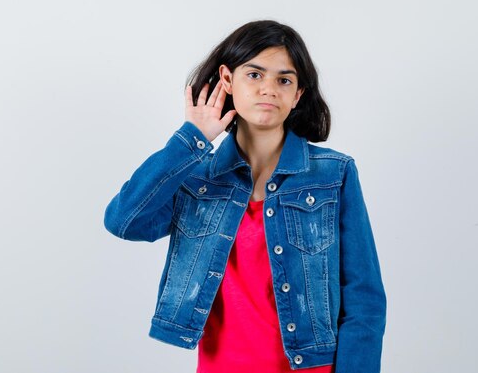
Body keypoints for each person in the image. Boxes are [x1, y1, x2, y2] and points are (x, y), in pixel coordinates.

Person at [104, 20, 386, 373]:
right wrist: (192, 139)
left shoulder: (333, 175)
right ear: (227, 80)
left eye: (284, 80)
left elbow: (365, 299)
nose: (269, 89)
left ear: (297, 94)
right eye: (254, 75)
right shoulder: (195, 178)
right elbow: (123, 221)